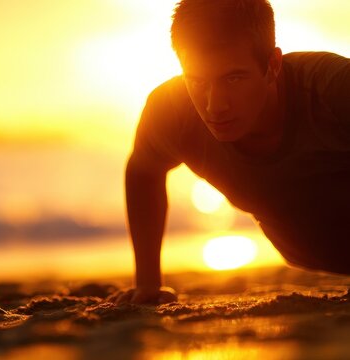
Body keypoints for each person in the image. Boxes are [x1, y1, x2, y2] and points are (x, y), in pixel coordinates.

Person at [122, 0, 350, 304]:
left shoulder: (332, 89)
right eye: (198, 81)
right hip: (310, 253)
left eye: (234, 78)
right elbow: (144, 170)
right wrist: (147, 284)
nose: (215, 106)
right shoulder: (172, 112)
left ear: (273, 65)